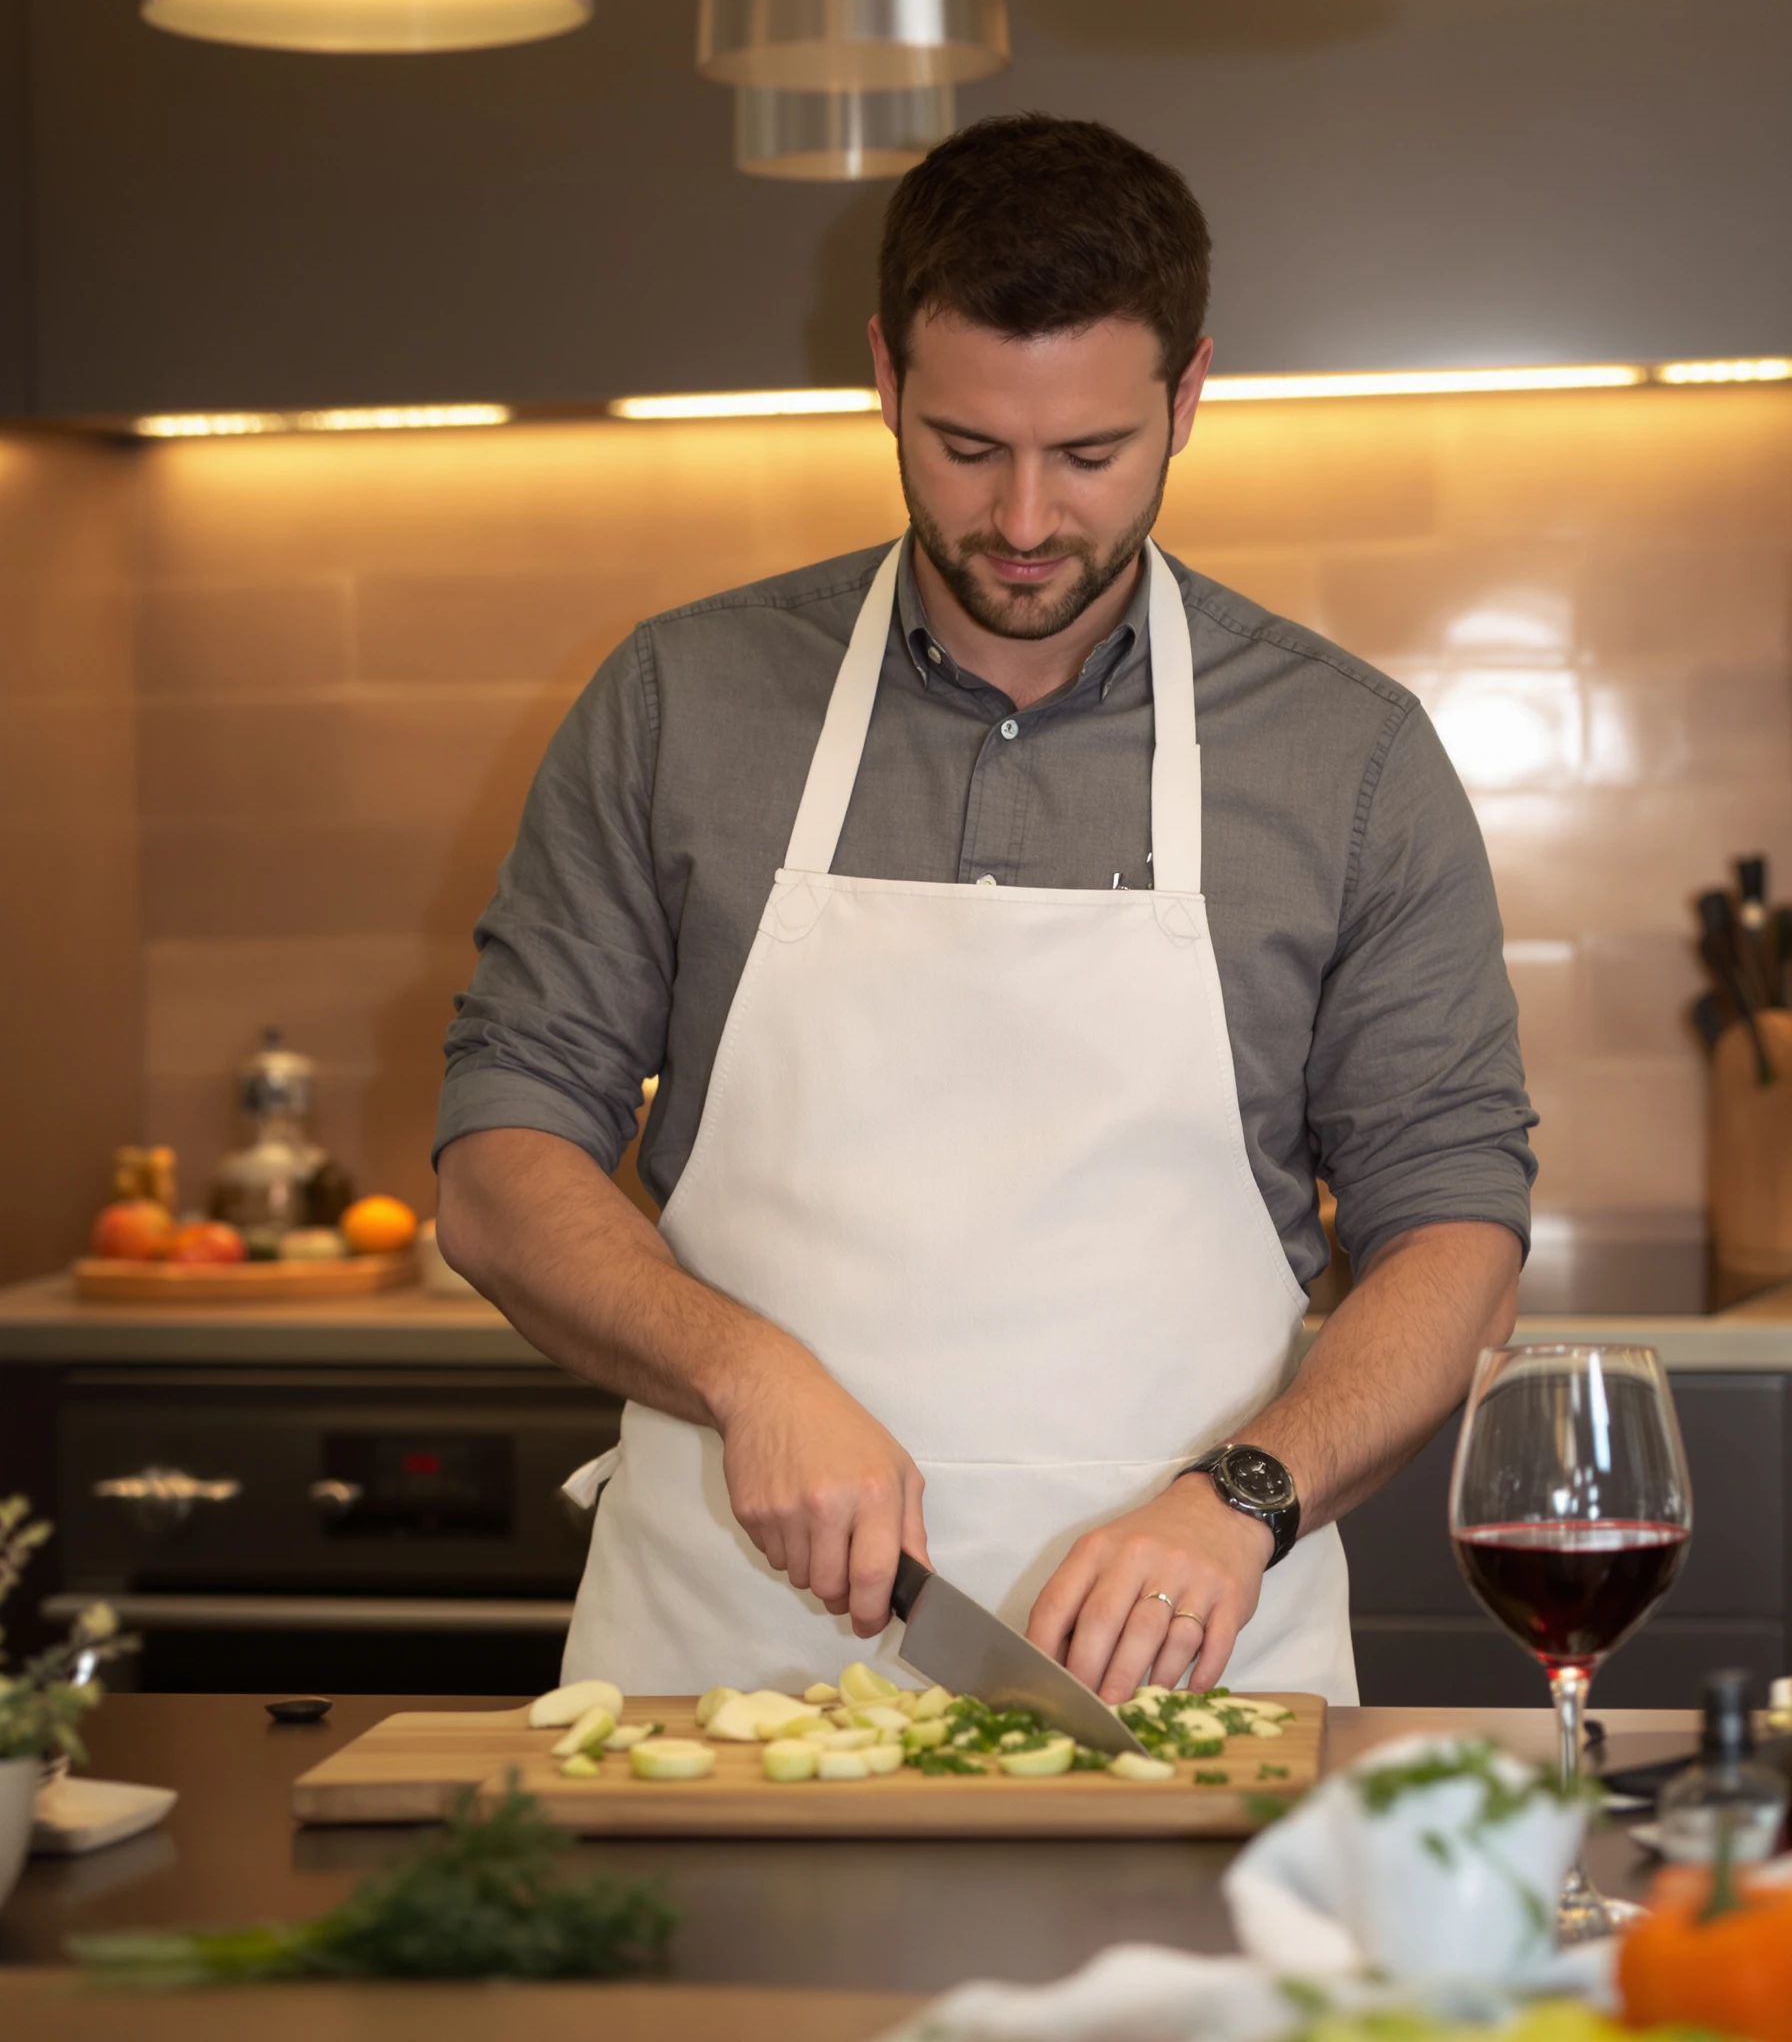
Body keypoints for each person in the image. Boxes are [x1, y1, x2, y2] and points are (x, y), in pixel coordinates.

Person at [435, 114, 1535, 1709]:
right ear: (884, 378)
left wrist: (1247, 1499)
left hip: (1192, 1677)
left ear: (1190, 395)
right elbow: (497, 1160)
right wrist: (745, 1374)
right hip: (722, 1678)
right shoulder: (678, 704)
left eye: (1089, 455)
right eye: (966, 446)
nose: (1024, 521)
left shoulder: (1347, 759)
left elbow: (1455, 1233)